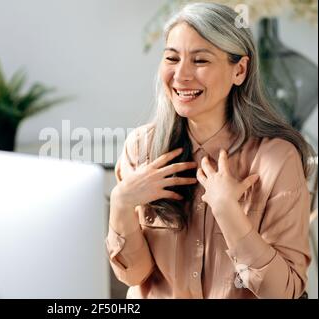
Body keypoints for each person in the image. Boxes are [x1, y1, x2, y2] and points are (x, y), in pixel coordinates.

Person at [106, 2, 315, 299]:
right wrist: (122, 203)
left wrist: (229, 212)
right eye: (172, 58)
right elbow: (134, 275)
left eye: (200, 61)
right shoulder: (141, 149)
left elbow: (284, 293)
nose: (181, 75)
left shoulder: (276, 159)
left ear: (239, 70)